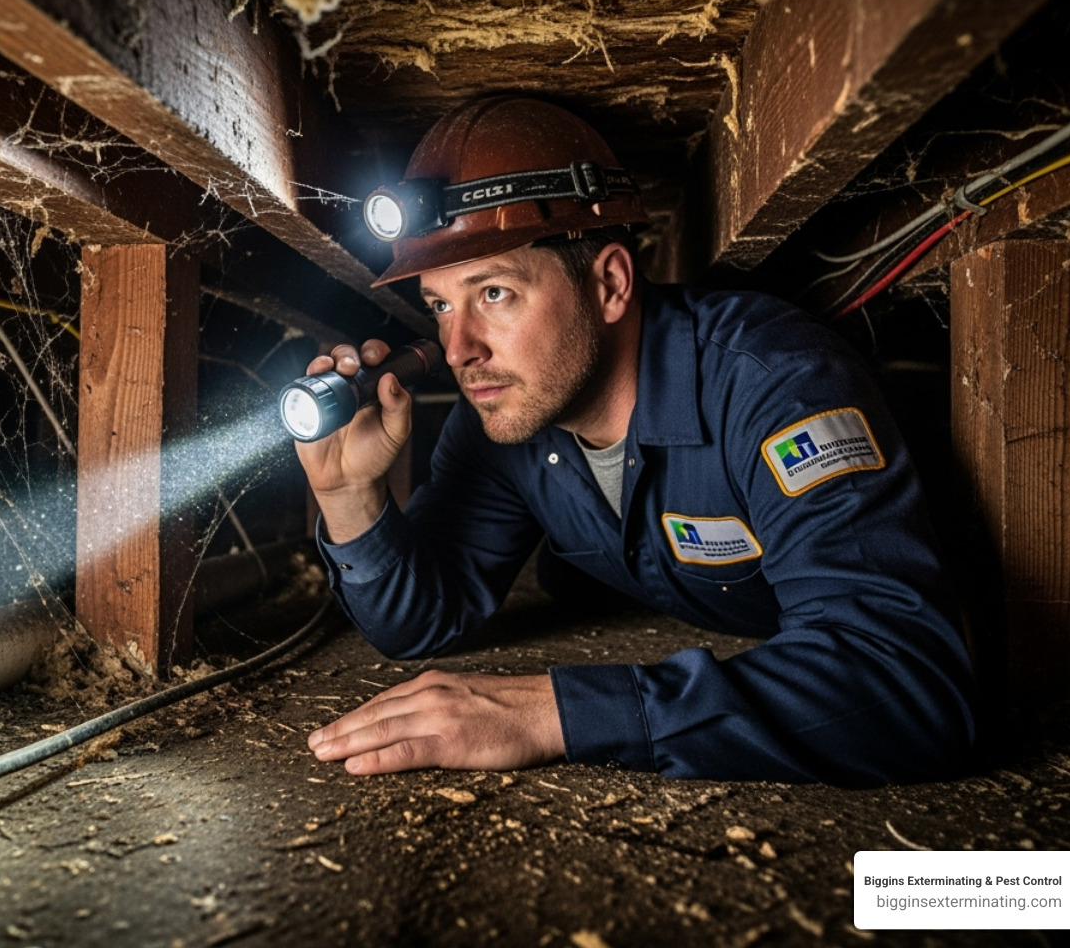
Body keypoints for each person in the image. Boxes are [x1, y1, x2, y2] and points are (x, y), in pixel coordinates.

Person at [296, 96, 975, 785]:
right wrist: (348, 495)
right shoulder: (503, 423)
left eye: (493, 293)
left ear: (612, 284)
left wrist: (558, 712)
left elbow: (903, 684)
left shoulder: (774, 386)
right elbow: (419, 621)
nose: (458, 347)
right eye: (440, 305)